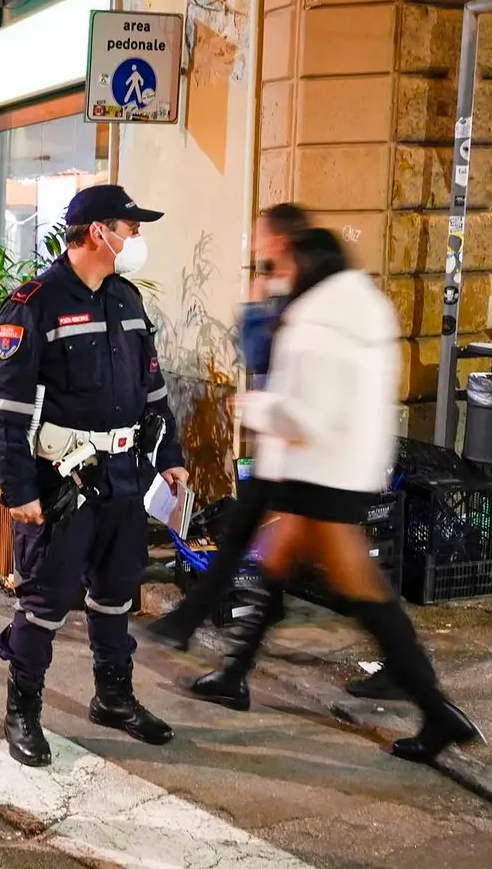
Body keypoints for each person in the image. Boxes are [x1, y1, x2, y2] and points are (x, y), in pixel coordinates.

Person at [190, 227, 482, 762]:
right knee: (280, 564)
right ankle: (234, 674)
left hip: (324, 475)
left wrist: (252, 409)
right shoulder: (363, 307)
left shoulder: (319, 321)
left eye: (283, 264)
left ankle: (437, 712)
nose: (279, 275)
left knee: (367, 599)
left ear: (306, 264)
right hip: (340, 470)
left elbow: (310, 416)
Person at [0, 183, 188, 766]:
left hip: (124, 478)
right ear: (99, 232)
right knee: (44, 602)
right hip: (64, 484)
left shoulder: (125, 299)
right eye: (131, 228)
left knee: (116, 595)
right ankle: (22, 710)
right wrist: (20, 490)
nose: (137, 238)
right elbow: (6, 407)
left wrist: (169, 454)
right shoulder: (34, 303)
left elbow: (152, 388)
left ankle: (114, 698)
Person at [143, 202, 311, 653]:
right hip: (284, 449)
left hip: (306, 453)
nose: (255, 242)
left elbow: (271, 362)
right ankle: (221, 656)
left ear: (278, 240)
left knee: (348, 578)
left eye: (261, 235)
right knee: (248, 543)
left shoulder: (306, 296)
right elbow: (259, 355)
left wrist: (258, 408)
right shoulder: (287, 289)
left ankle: (413, 674)